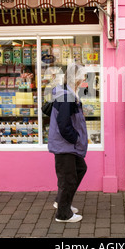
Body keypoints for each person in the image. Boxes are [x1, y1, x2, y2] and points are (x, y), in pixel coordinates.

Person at [48, 63, 88, 223]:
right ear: (75, 78)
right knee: (68, 178)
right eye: (82, 75)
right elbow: (64, 124)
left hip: (69, 145)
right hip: (66, 145)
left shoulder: (69, 93)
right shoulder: (67, 96)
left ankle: (61, 202)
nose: (84, 79)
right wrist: (75, 139)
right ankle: (63, 215)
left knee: (79, 169)